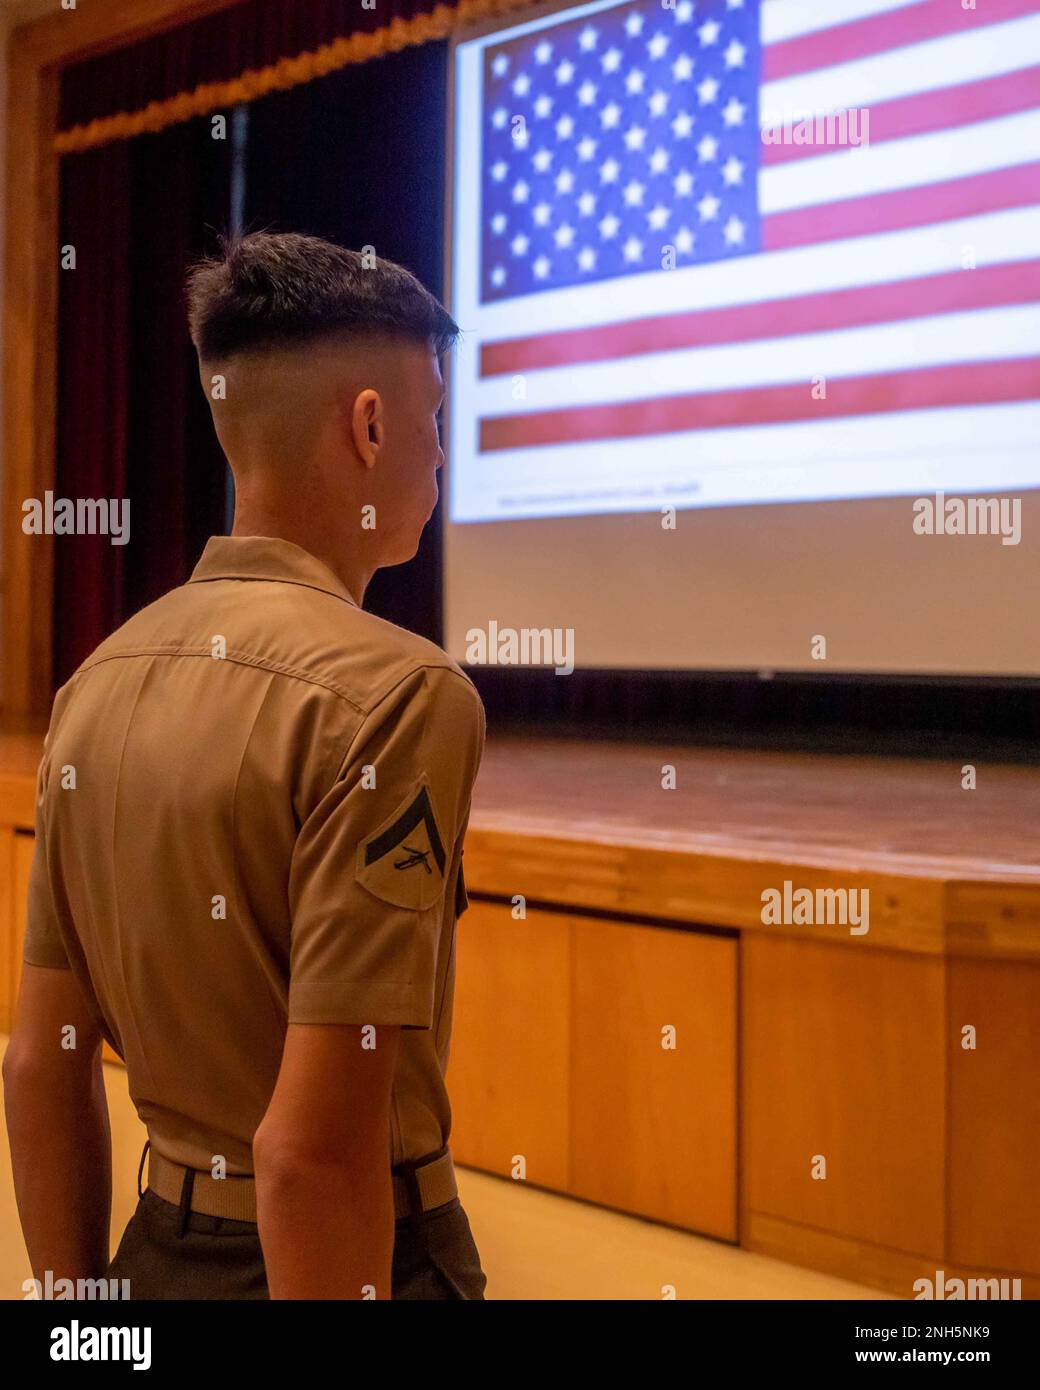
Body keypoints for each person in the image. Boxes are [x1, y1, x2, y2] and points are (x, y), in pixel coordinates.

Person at [3, 232, 487, 1300]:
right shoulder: (403, 695)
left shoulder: (93, 686)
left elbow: (40, 1061)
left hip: (149, 1258)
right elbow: (310, 1154)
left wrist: (82, 1320)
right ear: (368, 425)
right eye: (435, 415)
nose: (442, 453)